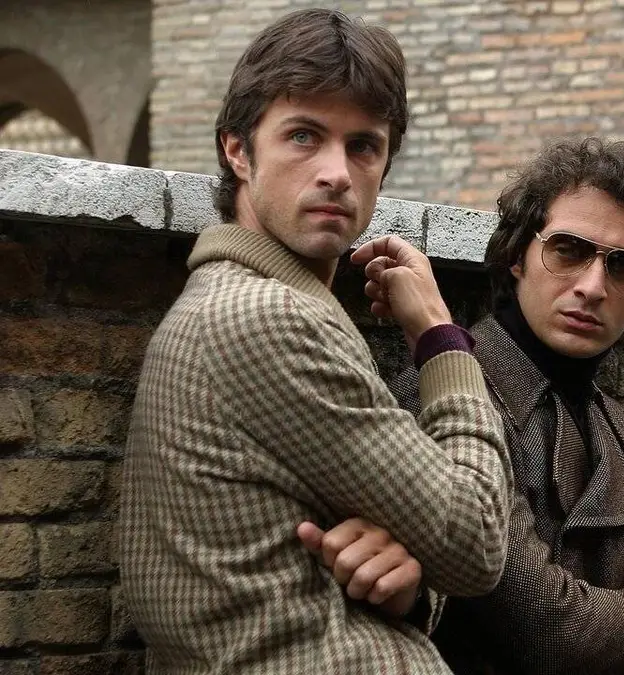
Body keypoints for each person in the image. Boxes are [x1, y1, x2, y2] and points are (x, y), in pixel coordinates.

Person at [118, 9, 512, 673]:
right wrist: (440, 337)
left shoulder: (270, 304)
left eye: (363, 146)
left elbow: (409, 555)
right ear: (237, 150)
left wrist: (409, 582)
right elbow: (475, 539)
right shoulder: (266, 318)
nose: (337, 172)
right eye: (304, 136)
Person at [305, 137, 624, 674]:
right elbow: (549, 630)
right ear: (518, 255)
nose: (593, 286)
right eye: (568, 250)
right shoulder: (448, 402)